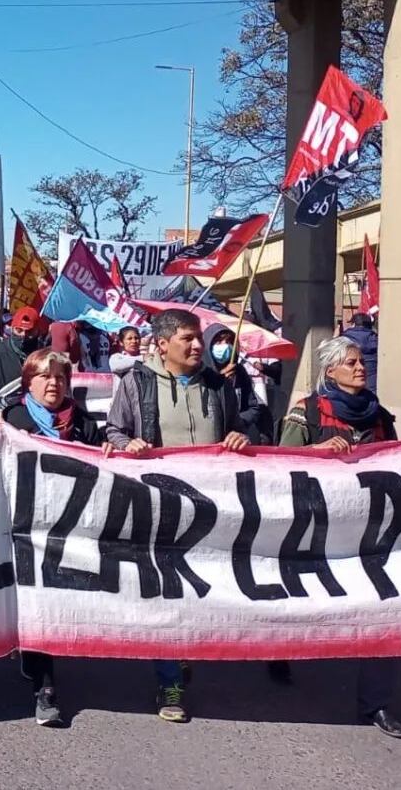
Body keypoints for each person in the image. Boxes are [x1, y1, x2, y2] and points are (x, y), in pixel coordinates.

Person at [102, 308, 250, 724]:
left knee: (201, 591)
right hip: (159, 509)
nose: (198, 345)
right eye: (188, 338)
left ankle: (183, 651)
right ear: (163, 344)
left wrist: (240, 437)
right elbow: (113, 430)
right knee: (165, 595)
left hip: (211, 510)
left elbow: (238, 430)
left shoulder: (219, 386)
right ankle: (169, 680)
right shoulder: (135, 383)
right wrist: (128, 442)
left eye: (199, 338)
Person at [272, 335, 401, 739]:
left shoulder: (379, 415)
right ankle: (279, 648)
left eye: (361, 361)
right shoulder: (306, 411)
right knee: (301, 598)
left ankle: (377, 704)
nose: (360, 367)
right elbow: (281, 464)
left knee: (384, 607)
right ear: (330, 371)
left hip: (369, 527)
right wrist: (318, 450)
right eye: (350, 363)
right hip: (317, 524)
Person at [0, 348, 105, 728]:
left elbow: (101, 456)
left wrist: (110, 449)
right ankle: (45, 687)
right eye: (45, 376)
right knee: (36, 600)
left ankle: (39, 659)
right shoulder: (13, 419)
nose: (54, 383)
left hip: (70, 528)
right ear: (29, 381)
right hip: (26, 526)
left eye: (60, 377)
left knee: (55, 601)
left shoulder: (82, 421)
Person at [202, 323, 273, 444]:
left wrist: (238, 422)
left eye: (229, 342)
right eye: (218, 342)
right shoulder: (201, 372)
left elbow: (253, 408)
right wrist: (221, 382)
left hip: (236, 441)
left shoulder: (239, 372)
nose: (225, 346)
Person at [0, 307, 40, 418]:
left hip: (39, 420)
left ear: (37, 331)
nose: (23, 335)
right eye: (19, 330)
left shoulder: (44, 357)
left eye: (30, 332)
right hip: (3, 419)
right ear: (12, 329)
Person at [341, 313, 379, 391]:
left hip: (350, 386)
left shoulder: (343, 340)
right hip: (372, 386)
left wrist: (335, 337)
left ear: (354, 324)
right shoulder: (377, 339)